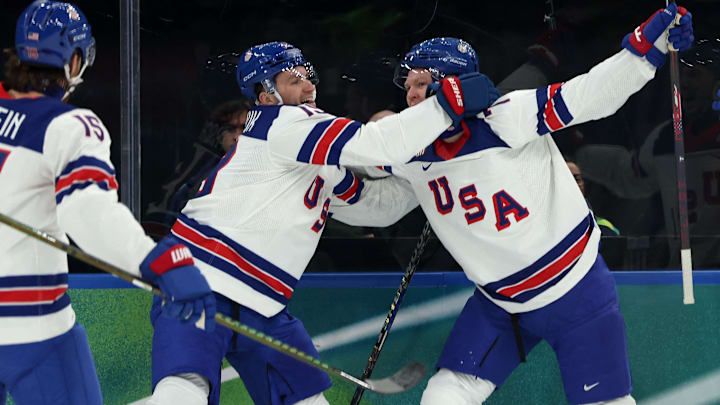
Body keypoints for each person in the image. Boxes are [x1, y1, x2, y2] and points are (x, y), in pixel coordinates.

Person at [146, 41, 497, 405]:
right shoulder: (286, 123)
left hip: (263, 305)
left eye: (308, 75)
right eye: (292, 80)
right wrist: (444, 108)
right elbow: (376, 143)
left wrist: (423, 175)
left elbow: (375, 207)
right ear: (265, 96)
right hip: (202, 280)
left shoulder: (312, 152)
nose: (309, 86)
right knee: (183, 390)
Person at [381, 5, 693, 404]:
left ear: (453, 85)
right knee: (446, 393)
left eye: (421, 83)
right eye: (406, 86)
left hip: (574, 290)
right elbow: (365, 172)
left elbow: (591, 94)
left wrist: (649, 49)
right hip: (499, 305)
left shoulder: (509, 116)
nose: (410, 96)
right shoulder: (409, 148)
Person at [0, 2, 216, 404]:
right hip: (33, 330)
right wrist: (158, 263)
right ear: (74, 59)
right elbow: (87, 213)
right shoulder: (67, 126)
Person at [143, 98, 253, 239]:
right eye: (231, 129)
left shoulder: (267, 169)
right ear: (218, 133)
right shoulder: (199, 171)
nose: (237, 135)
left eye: (244, 127)